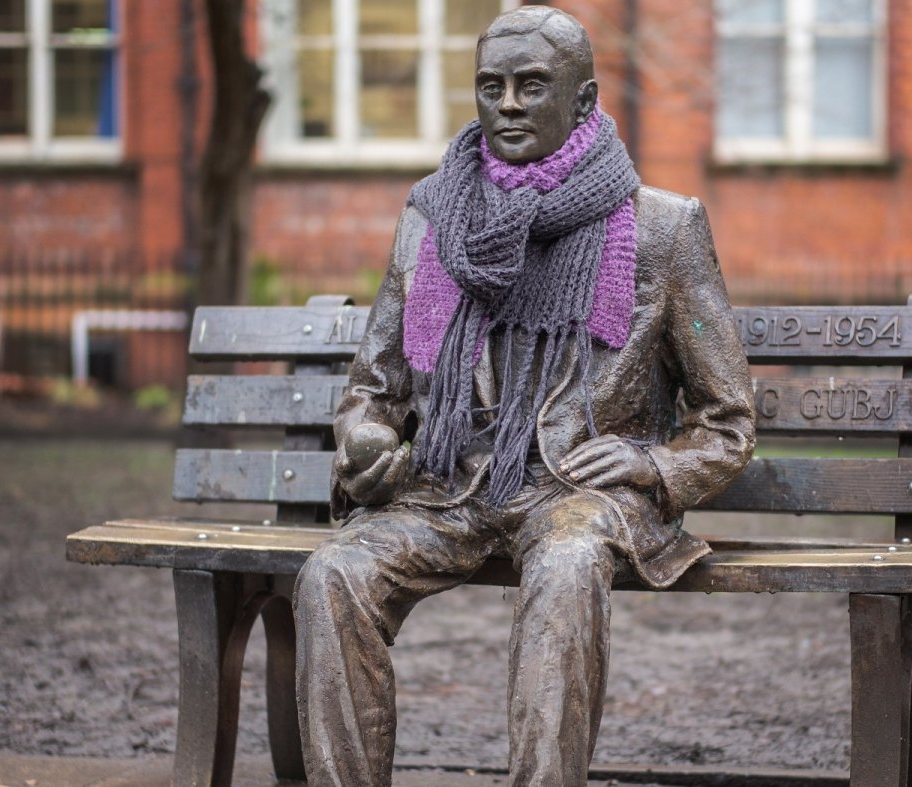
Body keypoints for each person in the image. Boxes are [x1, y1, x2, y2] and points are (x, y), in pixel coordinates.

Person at [293, 7, 755, 786]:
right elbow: (373, 389)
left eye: (530, 86)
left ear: (582, 101)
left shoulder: (661, 230)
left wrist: (651, 467)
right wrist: (366, 440)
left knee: (569, 563)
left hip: (578, 489)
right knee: (329, 575)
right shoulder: (434, 216)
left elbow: (729, 422)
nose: (507, 103)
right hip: (451, 488)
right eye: (491, 86)